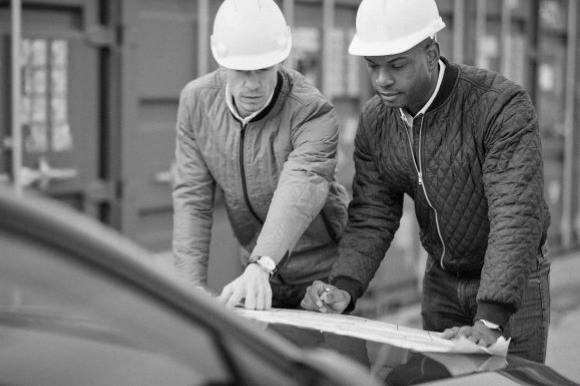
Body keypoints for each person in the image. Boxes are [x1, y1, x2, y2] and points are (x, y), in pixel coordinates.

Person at [300, 0, 551, 363]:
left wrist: (491, 316)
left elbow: (515, 213)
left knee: (511, 380)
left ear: (431, 53)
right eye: (373, 67)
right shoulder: (376, 121)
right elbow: (373, 214)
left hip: (516, 287)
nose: (382, 80)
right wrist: (344, 286)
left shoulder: (499, 107)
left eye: (397, 65)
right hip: (442, 283)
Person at [172, 0, 349, 311]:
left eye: (264, 69)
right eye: (241, 71)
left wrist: (262, 264)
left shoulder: (311, 110)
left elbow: (302, 184)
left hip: (322, 275)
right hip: (255, 273)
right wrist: (189, 289)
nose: (252, 84)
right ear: (222, 62)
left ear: (281, 58)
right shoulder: (196, 103)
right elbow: (192, 199)